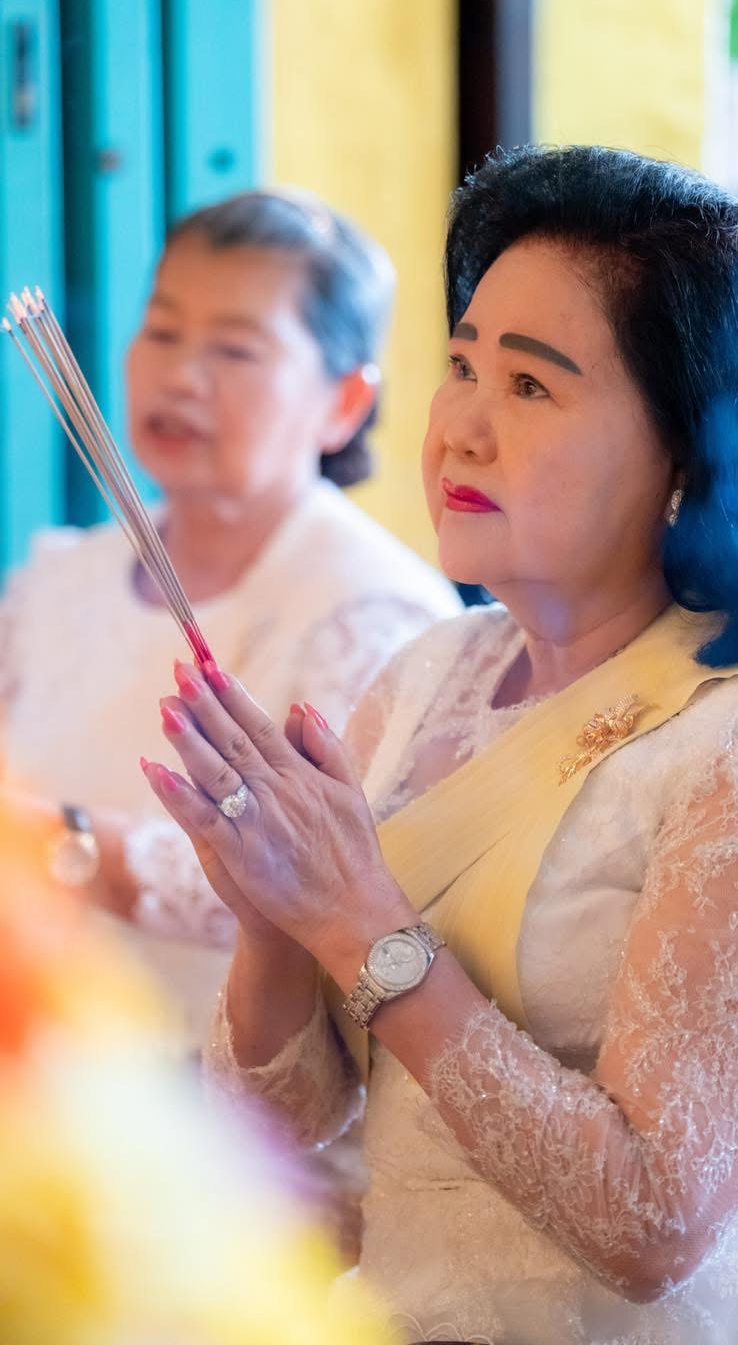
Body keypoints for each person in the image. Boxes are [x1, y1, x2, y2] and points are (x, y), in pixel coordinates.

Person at [142, 148, 738, 1343]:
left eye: (530, 385)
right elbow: (284, 1123)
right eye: (462, 365)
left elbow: (653, 1225)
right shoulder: (429, 681)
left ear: (686, 454)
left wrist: (360, 922)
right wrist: (275, 908)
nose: (462, 430)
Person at [0, 189, 461, 1043]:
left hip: (227, 1092)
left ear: (344, 402)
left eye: (236, 349)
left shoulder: (374, 610)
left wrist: (56, 843)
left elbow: (337, 888)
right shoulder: (61, 578)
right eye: (163, 331)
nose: (181, 376)